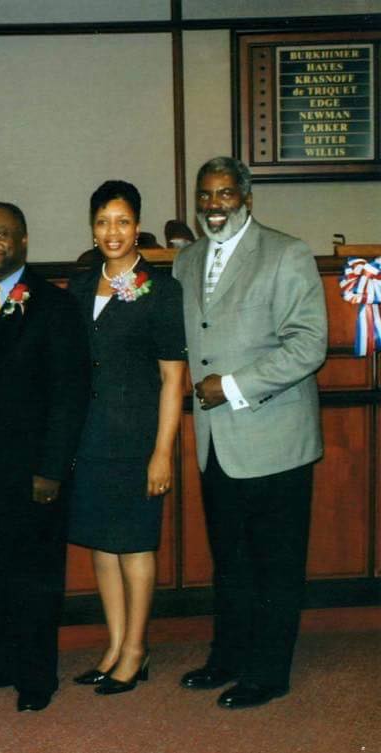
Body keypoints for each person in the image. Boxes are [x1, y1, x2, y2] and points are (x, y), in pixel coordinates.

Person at [173, 157, 327, 709]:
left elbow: (309, 345)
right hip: (216, 443)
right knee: (232, 562)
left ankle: (268, 673)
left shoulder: (286, 253)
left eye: (224, 194)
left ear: (246, 198)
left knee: (275, 566)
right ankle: (229, 657)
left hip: (275, 438)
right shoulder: (186, 260)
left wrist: (233, 386)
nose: (213, 205)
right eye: (205, 195)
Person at [0, 202, 89, 712]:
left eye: (2, 234)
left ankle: (35, 676)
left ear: (24, 240)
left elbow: (71, 393)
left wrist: (52, 469)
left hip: (32, 472)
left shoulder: (54, 304)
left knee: (34, 576)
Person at [67, 181, 187, 695]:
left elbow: (173, 379)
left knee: (134, 544)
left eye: (121, 221)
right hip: (89, 438)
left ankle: (137, 650)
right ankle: (115, 645)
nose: (111, 232)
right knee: (102, 544)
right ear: (92, 228)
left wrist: (162, 452)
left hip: (137, 439)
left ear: (137, 227)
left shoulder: (161, 290)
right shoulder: (78, 287)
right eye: (102, 222)